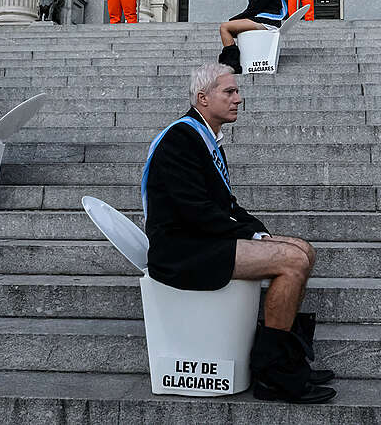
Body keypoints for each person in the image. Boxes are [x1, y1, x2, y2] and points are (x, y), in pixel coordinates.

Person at [142, 64, 336, 403]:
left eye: (237, 92)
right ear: (203, 98)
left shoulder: (206, 138)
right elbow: (196, 211)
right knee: (290, 261)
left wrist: (260, 234)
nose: (238, 99)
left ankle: (286, 358)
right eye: (229, 92)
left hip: (203, 240)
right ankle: (274, 375)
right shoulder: (180, 139)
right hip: (182, 250)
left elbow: (228, 206)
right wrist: (257, 241)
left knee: (303, 250)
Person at [217, 0, 288, 74]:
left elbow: (255, 8)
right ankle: (233, 62)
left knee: (225, 27)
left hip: (266, 22)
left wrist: (235, 19)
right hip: (264, 20)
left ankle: (232, 65)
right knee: (229, 26)